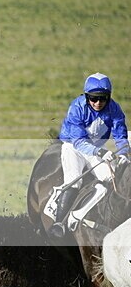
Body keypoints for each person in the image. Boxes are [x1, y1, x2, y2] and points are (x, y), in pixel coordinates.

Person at [50, 72, 129, 238]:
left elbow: (120, 135)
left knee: (110, 178)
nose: (98, 103)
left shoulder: (114, 109)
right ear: (87, 97)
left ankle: (91, 217)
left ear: (109, 97)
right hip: (73, 147)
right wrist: (99, 151)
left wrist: (123, 154)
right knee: (74, 180)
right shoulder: (76, 108)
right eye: (93, 98)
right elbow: (78, 141)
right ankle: (59, 223)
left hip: (95, 148)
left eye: (103, 98)